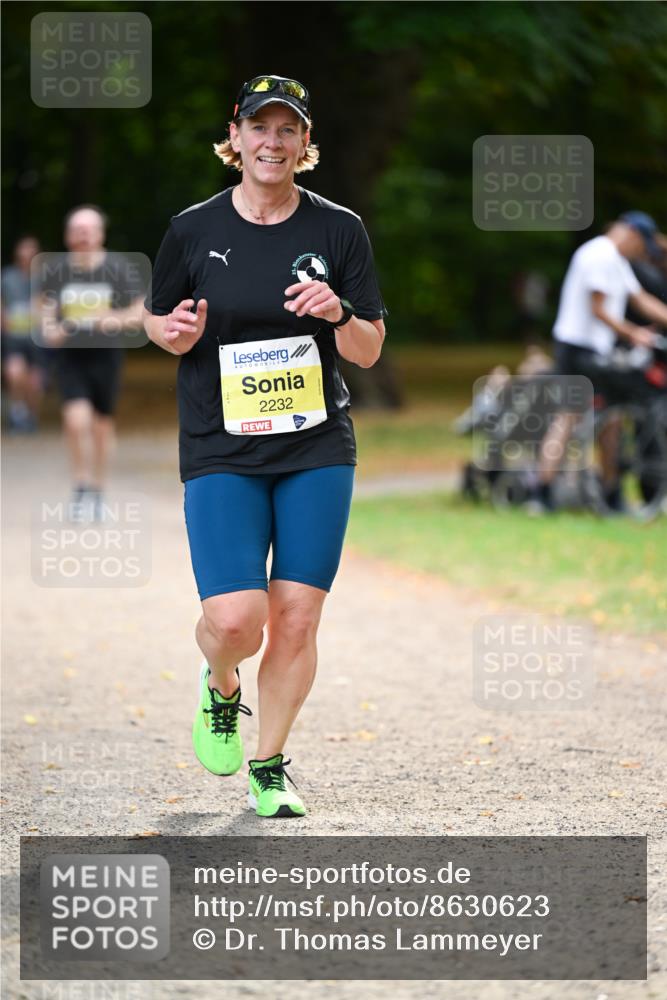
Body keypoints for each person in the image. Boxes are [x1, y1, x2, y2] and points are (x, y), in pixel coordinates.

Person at [143, 74, 386, 818]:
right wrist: (171, 333)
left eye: (287, 130)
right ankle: (221, 686)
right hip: (220, 445)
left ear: (305, 142)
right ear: (236, 137)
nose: (272, 142)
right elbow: (157, 318)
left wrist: (339, 312)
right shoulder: (192, 229)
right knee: (234, 622)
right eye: (259, 127)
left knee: (297, 617)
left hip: (316, 446)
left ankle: (270, 765)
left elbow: (369, 348)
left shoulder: (338, 229)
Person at [528, 211, 667, 513]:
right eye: (641, 246)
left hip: (595, 351)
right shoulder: (599, 255)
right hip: (578, 349)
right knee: (569, 417)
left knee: (612, 418)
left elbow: (640, 299)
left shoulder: (615, 260)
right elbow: (598, 309)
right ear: (631, 234)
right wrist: (633, 333)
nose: (640, 253)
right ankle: (542, 491)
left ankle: (610, 491)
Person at [39, 205, 144, 518]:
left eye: (89, 230)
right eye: (77, 230)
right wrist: (52, 329)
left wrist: (111, 319)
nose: (83, 236)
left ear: (100, 233)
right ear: (68, 235)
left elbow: (139, 312)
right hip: (71, 357)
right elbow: (45, 311)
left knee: (101, 426)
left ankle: (98, 489)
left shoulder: (118, 267)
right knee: (76, 421)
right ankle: (80, 486)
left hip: (106, 356)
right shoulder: (57, 270)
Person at [1, 235, 46, 432]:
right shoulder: (7, 277)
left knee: (35, 383)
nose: (27, 254)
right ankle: (17, 413)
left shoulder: (44, 278)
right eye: (24, 249)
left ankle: (31, 416)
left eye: (31, 250)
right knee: (14, 374)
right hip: (14, 339)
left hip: (38, 340)